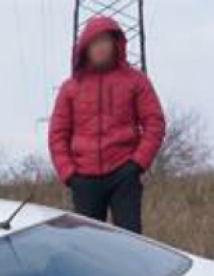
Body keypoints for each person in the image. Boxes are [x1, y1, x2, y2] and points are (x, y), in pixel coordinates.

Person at [49, 16, 166, 234]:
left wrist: (137, 164)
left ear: (115, 44)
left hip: (124, 174)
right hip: (84, 179)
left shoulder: (135, 80)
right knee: (89, 248)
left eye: (105, 41)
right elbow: (57, 135)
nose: (100, 47)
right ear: (85, 48)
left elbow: (154, 123)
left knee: (131, 241)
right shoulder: (70, 88)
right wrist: (70, 175)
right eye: (94, 42)